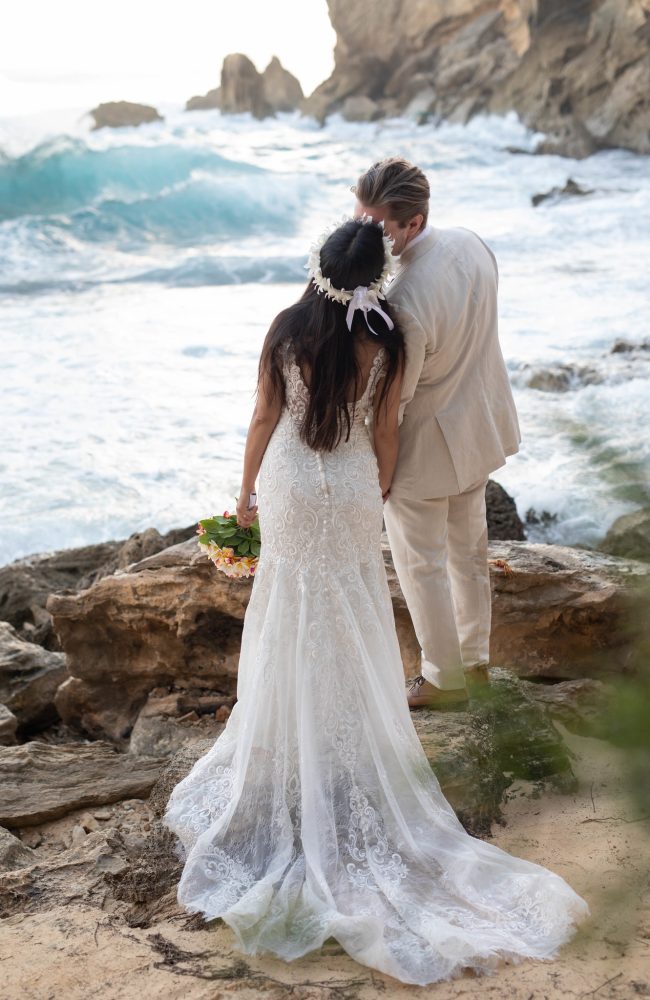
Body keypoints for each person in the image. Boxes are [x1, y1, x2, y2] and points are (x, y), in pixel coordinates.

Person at [162, 218, 588, 986]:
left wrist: (246, 494)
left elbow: (264, 417)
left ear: (318, 270)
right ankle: (345, 738)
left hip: (293, 484)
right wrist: (378, 486)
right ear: (379, 275)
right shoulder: (385, 338)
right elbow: (386, 428)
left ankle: (287, 740)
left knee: (291, 610)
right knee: (353, 611)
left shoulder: (288, 328)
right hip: (355, 485)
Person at [353, 158, 521, 709]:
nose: (364, 233)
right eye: (359, 218)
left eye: (377, 226)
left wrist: (377, 467)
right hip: (479, 426)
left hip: (425, 449)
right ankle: (475, 663)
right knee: (468, 552)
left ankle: (442, 679)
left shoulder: (402, 302)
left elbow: (393, 403)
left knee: (420, 563)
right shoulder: (472, 244)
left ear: (413, 223)